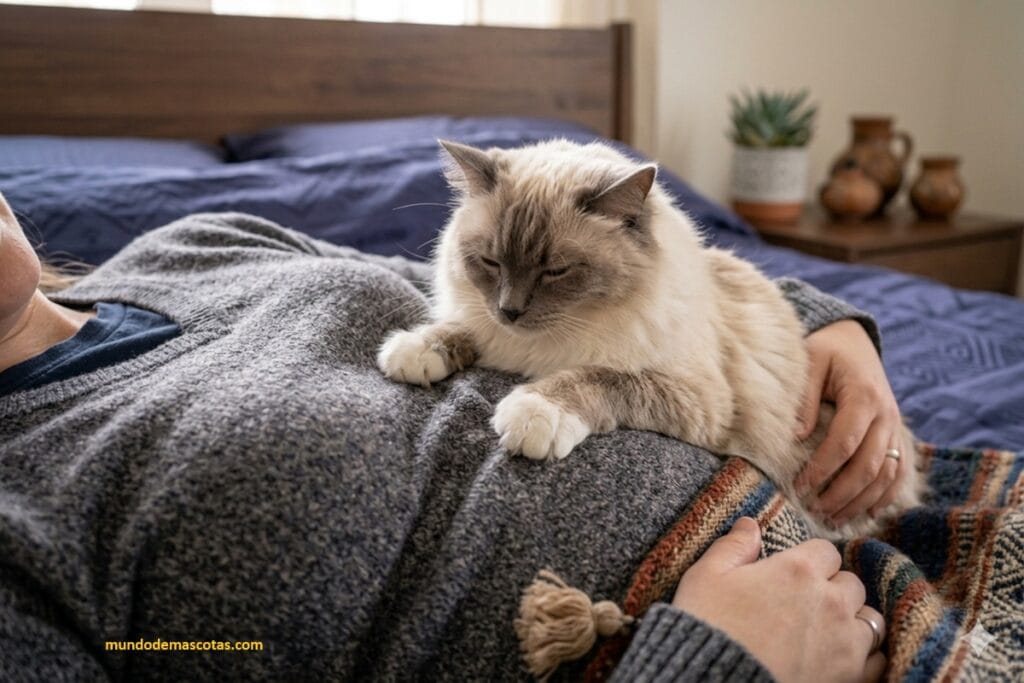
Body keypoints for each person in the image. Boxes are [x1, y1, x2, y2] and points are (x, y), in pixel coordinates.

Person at [0, 191, 898, 681]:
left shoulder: (197, 243)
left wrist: (821, 326)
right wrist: (711, 664)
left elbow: (496, 300)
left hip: (862, 522)